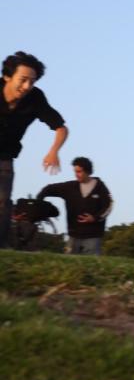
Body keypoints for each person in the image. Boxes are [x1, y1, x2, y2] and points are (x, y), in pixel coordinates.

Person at [1, 51, 69, 249]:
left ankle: (2, 247)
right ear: (7, 77)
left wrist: (53, 151)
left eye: (32, 81)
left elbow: (61, 128)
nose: (27, 86)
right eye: (22, 80)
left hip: (5, 156)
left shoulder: (36, 98)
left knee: (3, 202)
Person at [38, 156, 113, 255]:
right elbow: (48, 189)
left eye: (79, 172)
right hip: (73, 235)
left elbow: (109, 205)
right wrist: (39, 202)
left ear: (88, 171)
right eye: (75, 172)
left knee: (90, 265)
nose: (76, 175)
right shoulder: (70, 187)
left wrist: (95, 218)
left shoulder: (100, 187)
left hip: (93, 236)